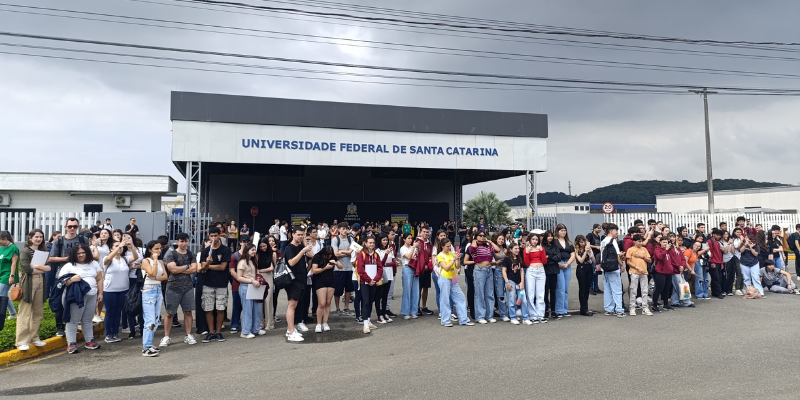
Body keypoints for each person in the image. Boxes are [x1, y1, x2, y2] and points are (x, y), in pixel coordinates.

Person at [58, 243, 103, 354]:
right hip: (76, 297)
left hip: (92, 295)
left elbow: (99, 279)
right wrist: (72, 280)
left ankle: (89, 340)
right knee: (73, 320)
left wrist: (100, 293)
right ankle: (71, 343)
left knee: (87, 320)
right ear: (74, 255)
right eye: (78, 253)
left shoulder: (94, 264)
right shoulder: (69, 266)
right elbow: (60, 283)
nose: (81, 255)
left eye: (83, 252)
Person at [48, 217, 89, 337]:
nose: (72, 229)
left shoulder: (83, 239)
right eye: (70, 226)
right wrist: (67, 258)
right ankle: (60, 327)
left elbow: (87, 254)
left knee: (75, 301)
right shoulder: (59, 241)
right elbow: (51, 258)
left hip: (80, 273)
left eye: (75, 226)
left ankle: (73, 325)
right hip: (62, 274)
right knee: (60, 301)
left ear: (78, 227)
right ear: (65, 227)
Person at [13, 229, 51, 350]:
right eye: (36, 237)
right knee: (25, 312)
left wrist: (37, 266)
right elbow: (26, 269)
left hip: (40, 281)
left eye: (41, 237)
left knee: (38, 312)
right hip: (29, 283)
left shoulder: (43, 251)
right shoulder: (25, 251)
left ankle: (34, 337)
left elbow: (49, 268)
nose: (39, 239)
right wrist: (41, 269)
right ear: (30, 238)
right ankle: (21, 341)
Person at [161, 233, 198, 347]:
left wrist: (180, 269)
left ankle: (188, 335)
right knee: (170, 313)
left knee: (188, 312)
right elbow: (172, 269)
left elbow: (194, 269)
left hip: (187, 287)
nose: (183, 244)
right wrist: (187, 267)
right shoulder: (171, 254)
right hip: (173, 287)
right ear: (177, 242)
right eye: (181, 241)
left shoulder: (191, 254)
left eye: (185, 241)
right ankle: (166, 336)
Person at [102, 233, 139, 343]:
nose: (120, 248)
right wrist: (120, 244)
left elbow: (136, 257)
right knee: (110, 312)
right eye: (116, 246)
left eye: (121, 247)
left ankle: (115, 333)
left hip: (123, 289)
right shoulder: (107, 259)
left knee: (118, 312)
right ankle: (108, 334)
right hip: (110, 290)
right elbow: (108, 258)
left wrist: (131, 246)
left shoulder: (125, 259)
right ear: (111, 248)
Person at [198, 227, 232, 343]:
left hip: (221, 284)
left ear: (219, 236)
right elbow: (202, 268)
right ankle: (211, 333)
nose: (213, 238)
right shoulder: (204, 252)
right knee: (208, 309)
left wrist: (208, 265)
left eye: (215, 236)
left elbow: (223, 267)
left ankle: (218, 332)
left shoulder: (226, 250)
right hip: (208, 284)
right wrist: (206, 264)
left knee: (220, 309)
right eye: (211, 236)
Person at [464, 230, 501, 324]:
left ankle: (489, 315)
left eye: (484, 235)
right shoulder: (473, 247)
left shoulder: (488, 247)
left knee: (489, 293)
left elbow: (497, 250)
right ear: (475, 237)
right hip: (479, 270)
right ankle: (480, 316)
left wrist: (490, 242)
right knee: (479, 293)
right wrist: (474, 240)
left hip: (489, 270)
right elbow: (472, 248)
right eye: (480, 235)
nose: (482, 237)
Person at [284, 226, 314, 342]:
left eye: (302, 235)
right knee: (292, 305)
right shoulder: (290, 248)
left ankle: (289, 329)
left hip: (302, 279)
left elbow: (311, 255)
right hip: (293, 281)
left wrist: (306, 245)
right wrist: (302, 252)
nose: (301, 236)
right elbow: (291, 262)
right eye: (299, 234)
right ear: (292, 234)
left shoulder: (302, 246)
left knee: (296, 305)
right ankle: (291, 332)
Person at [436, 239, 473, 327]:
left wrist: (458, 259)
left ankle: (463, 319)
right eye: (447, 246)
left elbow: (457, 266)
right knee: (445, 299)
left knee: (461, 297)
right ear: (442, 246)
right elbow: (446, 267)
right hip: (444, 277)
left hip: (452, 277)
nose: (449, 247)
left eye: (450, 245)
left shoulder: (452, 253)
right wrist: (454, 259)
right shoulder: (440, 255)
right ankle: (445, 320)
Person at [140, 240, 167, 356]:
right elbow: (152, 271)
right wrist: (155, 260)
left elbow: (165, 276)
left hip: (157, 289)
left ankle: (149, 343)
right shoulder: (146, 261)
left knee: (156, 319)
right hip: (148, 290)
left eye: (160, 248)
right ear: (150, 249)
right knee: (150, 319)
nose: (159, 251)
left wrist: (154, 278)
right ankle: (146, 347)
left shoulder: (161, 261)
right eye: (156, 249)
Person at [234, 243, 263, 338]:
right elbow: (239, 277)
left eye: (255, 250)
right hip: (245, 286)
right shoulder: (242, 262)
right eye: (252, 250)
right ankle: (245, 331)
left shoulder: (253, 261)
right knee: (248, 309)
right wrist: (251, 281)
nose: (254, 252)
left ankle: (255, 328)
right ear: (247, 251)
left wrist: (258, 280)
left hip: (254, 286)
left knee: (257, 309)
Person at [355, 236, 383, 333]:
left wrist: (375, 280)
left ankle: (369, 320)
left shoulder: (376, 255)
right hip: (364, 282)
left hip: (373, 282)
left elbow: (380, 268)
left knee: (371, 301)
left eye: (373, 243)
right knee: (366, 301)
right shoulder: (361, 255)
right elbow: (360, 270)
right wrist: (369, 280)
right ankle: (365, 323)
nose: (371, 244)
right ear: (365, 244)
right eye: (370, 243)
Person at [311, 245, 340, 332]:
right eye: (328, 255)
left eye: (331, 255)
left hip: (331, 281)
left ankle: (325, 322)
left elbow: (341, 266)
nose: (329, 256)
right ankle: (318, 324)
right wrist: (325, 268)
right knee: (322, 303)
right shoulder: (317, 257)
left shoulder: (333, 257)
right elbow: (314, 270)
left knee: (328, 302)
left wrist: (336, 263)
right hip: (320, 281)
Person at [599, 223, 625, 317]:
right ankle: (619, 310)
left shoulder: (603, 240)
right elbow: (617, 255)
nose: (617, 232)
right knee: (617, 289)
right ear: (611, 231)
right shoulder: (613, 241)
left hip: (605, 268)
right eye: (616, 230)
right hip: (613, 267)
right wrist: (621, 265)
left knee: (608, 289)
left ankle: (609, 309)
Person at [501, 242, 530, 325]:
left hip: (519, 282)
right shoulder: (507, 259)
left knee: (522, 300)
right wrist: (507, 282)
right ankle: (513, 317)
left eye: (518, 248)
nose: (517, 250)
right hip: (511, 281)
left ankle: (525, 318)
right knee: (511, 300)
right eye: (515, 249)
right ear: (511, 249)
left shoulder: (519, 258)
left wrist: (522, 282)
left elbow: (521, 270)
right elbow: (504, 271)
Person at [625, 234, 652, 316]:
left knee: (645, 290)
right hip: (634, 272)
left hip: (644, 272)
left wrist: (642, 256)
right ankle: (632, 308)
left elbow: (649, 260)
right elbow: (628, 262)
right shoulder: (630, 250)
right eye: (639, 241)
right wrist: (637, 267)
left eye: (641, 241)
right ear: (634, 241)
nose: (641, 243)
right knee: (634, 291)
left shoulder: (644, 249)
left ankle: (645, 307)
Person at [332, 223, 355, 316]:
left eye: (346, 229)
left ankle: (346, 308)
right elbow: (335, 254)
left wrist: (341, 251)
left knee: (348, 289)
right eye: (343, 229)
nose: (345, 231)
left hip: (349, 268)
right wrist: (347, 253)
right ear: (339, 230)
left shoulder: (351, 239)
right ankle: (337, 308)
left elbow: (352, 251)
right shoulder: (335, 239)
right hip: (338, 268)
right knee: (338, 290)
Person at [523, 233, 547, 323]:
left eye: (536, 239)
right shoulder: (526, 249)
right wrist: (527, 252)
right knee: (530, 294)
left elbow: (544, 261)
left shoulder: (541, 248)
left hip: (541, 270)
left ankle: (541, 315)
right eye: (533, 239)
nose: (535, 241)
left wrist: (541, 251)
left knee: (540, 293)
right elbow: (526, 263)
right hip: (531, 271)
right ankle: (533, 315)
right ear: (529, 240)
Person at [411, 226, 434, 316]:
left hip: (427, 269)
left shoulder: (429, 243)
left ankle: (424, 307)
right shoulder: (417, 242)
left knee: (426, 288)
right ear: (420, 232)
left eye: (427, 232)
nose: (426, 234)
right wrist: (421, 265)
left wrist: (428, 265)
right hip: (419, 269)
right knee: (418, 288)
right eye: (424, 232)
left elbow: (430, 256)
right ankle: (417, 307)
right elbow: (415, 255)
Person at [553, 224, 575, 319]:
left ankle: (565, 310)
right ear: (557, 231)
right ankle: (559, 310)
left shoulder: (568, 242)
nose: (563, 232)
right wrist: (559, 263)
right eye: (561, 230)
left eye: (564, 230)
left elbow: (573, 254)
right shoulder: (554, 242)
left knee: (566, 289)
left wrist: (567, 264)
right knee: (560, 288)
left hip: (567, 265)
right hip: (558, 265)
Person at [374, 234, 396, 324]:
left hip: (389, 274)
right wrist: (386, 254)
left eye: (386, 240)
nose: (385, 242)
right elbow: (380, 263)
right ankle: (379, 315)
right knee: (379, 296)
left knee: (385, 296)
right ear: (379, 241)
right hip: (381, 275)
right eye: (383, 240)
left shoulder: (389, 249)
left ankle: (384, 313)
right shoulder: (377, 251)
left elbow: (394, 261)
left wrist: (389, 262)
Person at [399, 232, 419, 320]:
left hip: (415, 268)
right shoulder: (402, 248)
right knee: (407, 291)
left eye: (411, 238)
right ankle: (405, 312)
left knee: (415, 291)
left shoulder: (413, 247)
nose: (410, 240)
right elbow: (409, 257)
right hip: (407, 268)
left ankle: (414, 311)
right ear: (404, 239)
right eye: (408, 238)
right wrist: (414, 247)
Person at [573, 235, 595, 317]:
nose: (583, 243)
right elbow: (581, 260)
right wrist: (585, 252)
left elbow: (594, 261)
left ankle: (585, 308)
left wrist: (590, 252)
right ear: (578, 243)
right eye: (581, 242)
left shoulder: (588, 248)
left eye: (584, 242)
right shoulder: (576, 249)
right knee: (582, 288)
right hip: (581, 269)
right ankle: (584, 308)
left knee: (587, 289)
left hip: (589, 268)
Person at [0, 231, 19, 322]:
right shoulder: (2, 248)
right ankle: (13, 313)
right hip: (1, 273)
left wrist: (12, 276)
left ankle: (7, 314)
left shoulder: (13, 248)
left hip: (8, 274)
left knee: (2, 295)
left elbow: (14, 263)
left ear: (5, 239)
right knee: (2, 295)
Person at [542, 231, 560, 319]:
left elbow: (558, 258)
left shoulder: (555, 246)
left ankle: (553, 311)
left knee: (553, 291)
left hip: (554, 271)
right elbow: (543, 259)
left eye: (551, 236)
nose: (550, 238)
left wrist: (549, 256)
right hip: (545, 271)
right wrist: (553, 257)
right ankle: (545, 310)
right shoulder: (542, 247)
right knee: (545, 292)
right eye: (548, 236)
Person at [491, 233, 509, 322]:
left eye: (502, 239)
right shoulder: (492, 249)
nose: (501, 240)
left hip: (508, 272)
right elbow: (495, 258)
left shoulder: (506, 248)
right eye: (499, 239)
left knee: (511, 293)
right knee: (500, 294)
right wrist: (504, 254)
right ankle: (503, 314)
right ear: (496, 239)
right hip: (498, 271)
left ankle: (513, 312)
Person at [707, 228, 726, 299]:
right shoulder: (710, 242)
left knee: (718, 278)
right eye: (717, 235)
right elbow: (710, 253)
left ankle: (715, 292)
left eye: (720, 235)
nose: (719, 236)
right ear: (713, 234)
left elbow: (719, 254)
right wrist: (711, 262)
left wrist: (721, 263)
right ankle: (718, 292)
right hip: (714, 262)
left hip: (718, 262)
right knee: (716, 278)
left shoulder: (717, 243)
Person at [586, 224, 603, 295]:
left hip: (597, 256)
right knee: (592, 273)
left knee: (596, 273)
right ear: (594, 228)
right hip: (591, 256)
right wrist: (596, 247)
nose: (599, 229)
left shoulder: (598, 236)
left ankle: (596, 288)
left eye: (600, 228)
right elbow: (587, 244)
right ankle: (590, 288)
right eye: (598, 228)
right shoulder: (590, 235)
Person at [721, 230, 736, 297]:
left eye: (727, 234)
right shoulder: (720, 243)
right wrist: (728, 244)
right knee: (726, 276)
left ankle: (729, 290)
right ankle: (724, 290)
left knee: (732, 276)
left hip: (732, 259)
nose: (726, 236)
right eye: (724, 234)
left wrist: (732, 244)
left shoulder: (729, 242)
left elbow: (733, 251)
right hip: (725, 260)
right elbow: (725, 251)